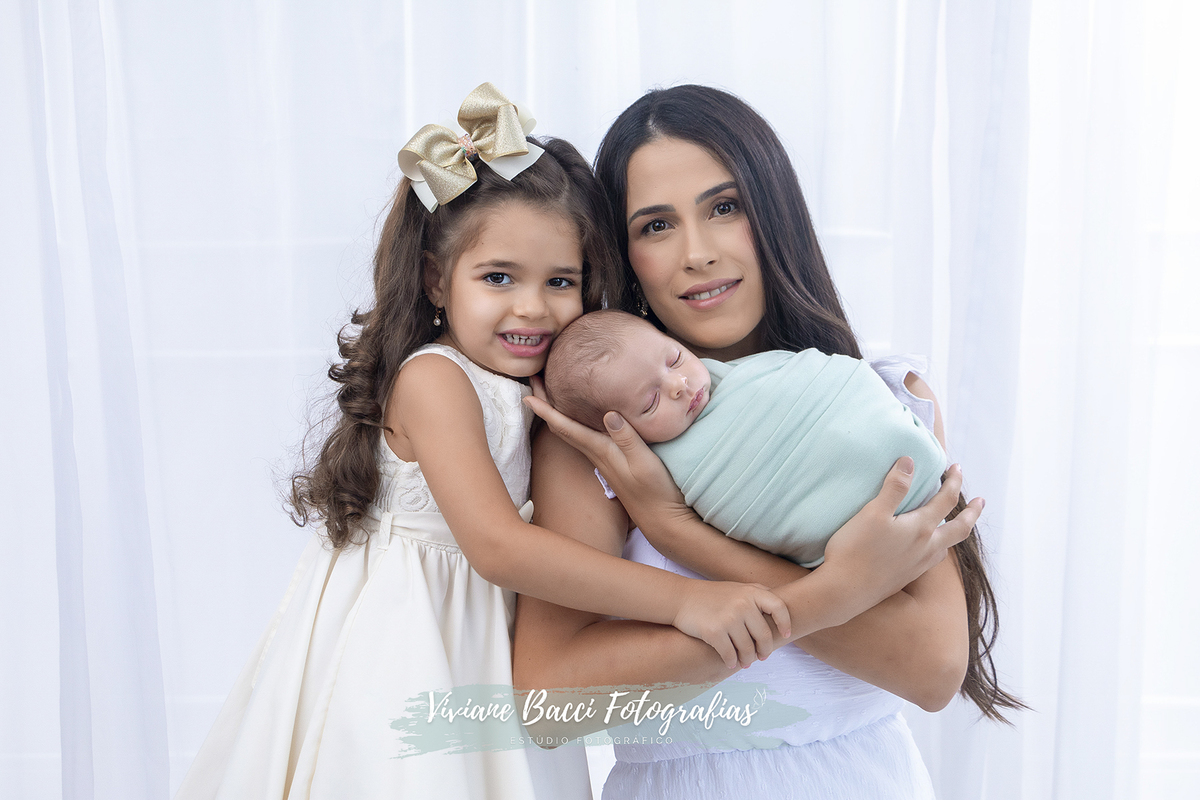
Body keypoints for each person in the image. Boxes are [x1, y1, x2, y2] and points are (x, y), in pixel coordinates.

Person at [172, 84, 797, 800]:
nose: (532, 307)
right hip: (410, 647)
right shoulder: (433, 380)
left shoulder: (540, 388)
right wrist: (683, 600)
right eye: (498, 278)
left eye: (560, 280)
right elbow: (499, 547)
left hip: (491, 648)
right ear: (437, 280)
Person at [515, 85, 1022, 799]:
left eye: (725, 208)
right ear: (624, 255)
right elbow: (549, 705)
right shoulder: (605, 445)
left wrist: (680, 533)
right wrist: (831, 594)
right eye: (656, 226)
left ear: (775, 213)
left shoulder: (872, 395)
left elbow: (934, 670)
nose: (697, 253)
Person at [542, 309, 947, 568]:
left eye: (674, 358)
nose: (679, 385)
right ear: (618, 429)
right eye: (650, 402)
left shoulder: (746, 373)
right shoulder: (648, 476)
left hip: (907, 466)